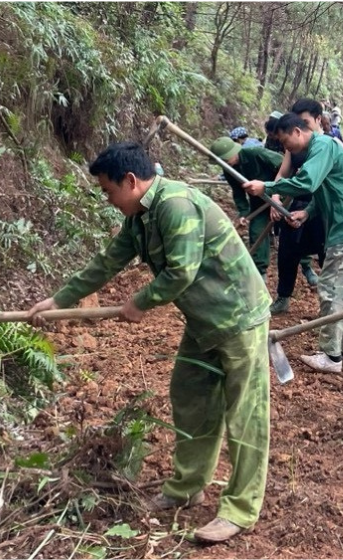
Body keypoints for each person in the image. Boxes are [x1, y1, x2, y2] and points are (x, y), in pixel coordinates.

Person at [27, 142, 271, 544]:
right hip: (202, 321)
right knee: (190, 397)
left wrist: (140, 302)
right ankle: (186, 487)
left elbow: (182, 272)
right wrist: (59, 301)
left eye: (108, 191)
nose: (107, 200)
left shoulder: (175, 205)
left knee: (245, 413)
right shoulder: (140, 218)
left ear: (130, 180)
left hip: (238, 318)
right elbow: (107, 262)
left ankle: (240, 509)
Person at [244, 113, 343, 374]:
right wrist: (307, 212)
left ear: (297, 131)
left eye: (287, 142)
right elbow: (328, 188)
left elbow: (308, 182)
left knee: (331, 287)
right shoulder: (321, 150)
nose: (287, 149)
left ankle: (331, 356)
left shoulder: (323, 146)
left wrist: (268, 187)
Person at [209, 136, 282, 277]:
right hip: (258, 203)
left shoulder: (255, 153)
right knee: (257, 232)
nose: (224, 164)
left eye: (225, 160)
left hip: (280, 196)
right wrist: (244, 213)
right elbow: (238, 193)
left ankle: (305, 265)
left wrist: (276, 193)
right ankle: (261, 273)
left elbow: (283, 166)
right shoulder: (229, 170)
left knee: (293, 230)